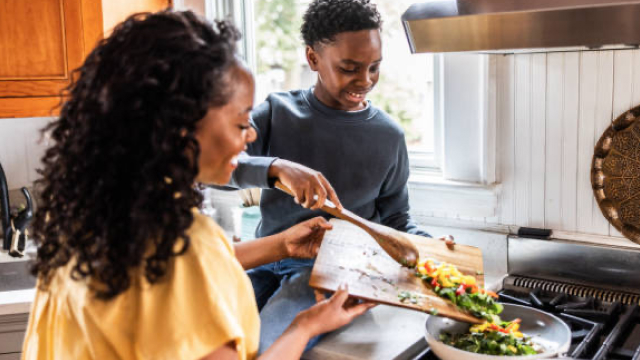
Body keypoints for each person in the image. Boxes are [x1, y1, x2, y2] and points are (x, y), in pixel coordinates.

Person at [21, 10, 373, 360]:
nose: (250, 136)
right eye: (240, 123)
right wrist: (304, 327)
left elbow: (163, 270)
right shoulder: (186, 248)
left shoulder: (89, 216)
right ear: (180, 128)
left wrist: (282, 244)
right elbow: (185, 267)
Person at [229, 0, 435, 353]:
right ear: (313, 59)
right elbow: (219, 169)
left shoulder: (389, 136)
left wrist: (431, 247)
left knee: (269, 348)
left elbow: (397, 218)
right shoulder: (276, 112)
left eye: (374, 67)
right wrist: (276, 167)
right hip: (261, 258)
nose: (365, 80)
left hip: (325, 273)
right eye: (350, 68)